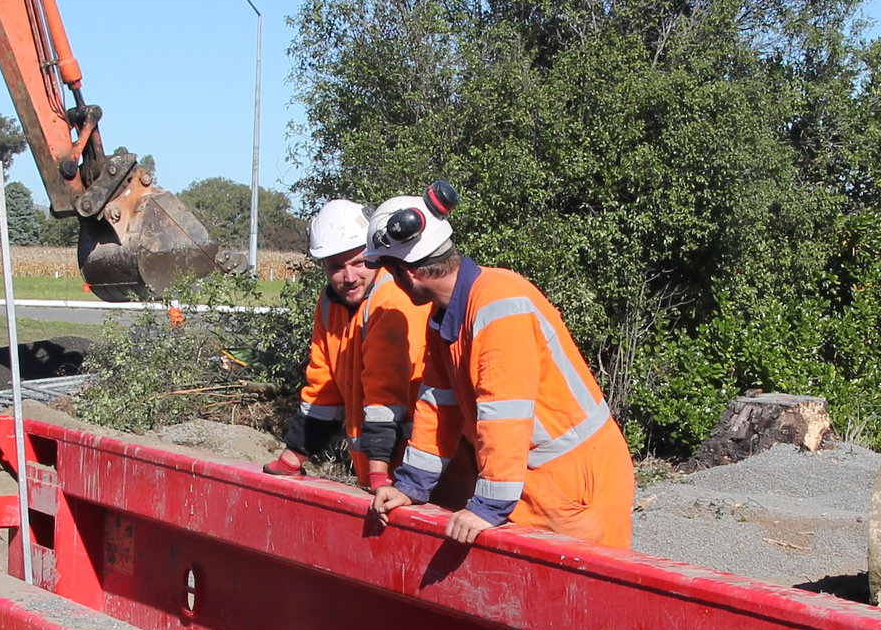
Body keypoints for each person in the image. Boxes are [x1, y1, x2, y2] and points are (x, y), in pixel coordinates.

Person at [365, 185, 634, 549]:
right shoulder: (445, 317)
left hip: (574, 479)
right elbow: (437, 409)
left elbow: (504, 413)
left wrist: (487, 506)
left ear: (407, 275)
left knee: (582, 598)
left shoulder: (498, 303)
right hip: (537, 477)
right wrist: (410, 487)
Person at [263, 198, 433, 488]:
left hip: (421, 469)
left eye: (359, 263)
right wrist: (296, 453)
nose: (349, 277)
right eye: (336, 267)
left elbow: (385, 391)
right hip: (380, 470)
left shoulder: (392, 298)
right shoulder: (330, 304)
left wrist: (381, 475)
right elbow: (323, 385)